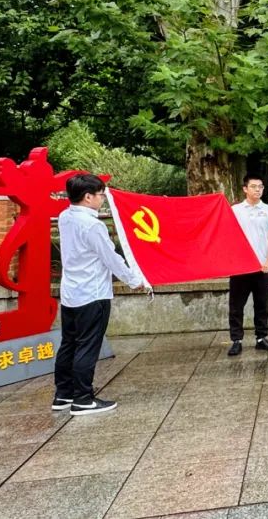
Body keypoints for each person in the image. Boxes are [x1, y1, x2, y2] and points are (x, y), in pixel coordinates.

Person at [54, 174, 151, 415]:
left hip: (71, 293)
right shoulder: (93, 226)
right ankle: (83, 399)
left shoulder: (65, 217)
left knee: (69, 343)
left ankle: (64, 394)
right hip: (92, 293)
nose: (102, 199)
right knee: (88, 345)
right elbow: (111, 258)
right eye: (100, 195)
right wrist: (134, 281)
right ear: (88, 197)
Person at [229, 175, 268, 357]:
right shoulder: (235, 210)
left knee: (262, 305)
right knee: (236, 306)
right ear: (245, 189)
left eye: (260, 186)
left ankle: (261, 338)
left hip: (262, 267)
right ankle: (236, 340)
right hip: (240, 267)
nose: (258, 189)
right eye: (253, 186)